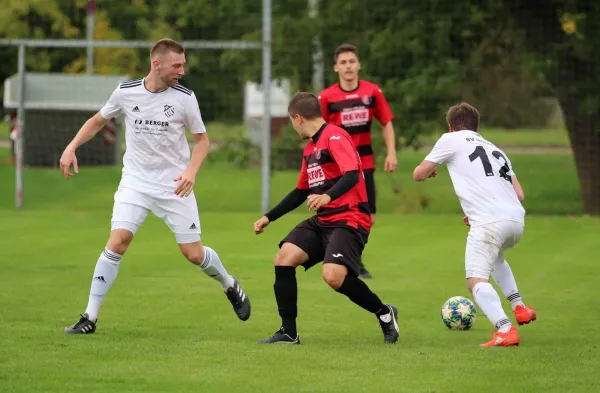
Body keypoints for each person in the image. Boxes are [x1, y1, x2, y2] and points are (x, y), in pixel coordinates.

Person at [59, 38, 251, 334]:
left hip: (174, 186)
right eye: (177, 65)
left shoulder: (185, 98)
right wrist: (71, 146)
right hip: (135, 182)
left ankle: (228, 283)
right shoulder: (126, 93)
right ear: (156, 64)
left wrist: (191, 172)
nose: (182, 70)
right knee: (118, 241)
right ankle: (90, 317)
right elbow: (98, 120)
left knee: (194, 254)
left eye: (183, 64)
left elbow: (202, 141)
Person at [253, 92, 399, 345]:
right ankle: (289, 332)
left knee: (333, 276)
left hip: (350, 219)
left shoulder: (335, 136)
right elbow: (301, 191)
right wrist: (269, 217)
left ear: (298, 118)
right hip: (324, 221)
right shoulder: (310, 149)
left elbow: (352, 174)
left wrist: (328, 197)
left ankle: (385, 314)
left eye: (291, 121)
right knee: (284, 257)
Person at [413, 102, 537, 347]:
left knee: (475, 280)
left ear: (451, 127)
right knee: (497, 259)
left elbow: (419, 174)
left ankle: (505, 329)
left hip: (490, 221)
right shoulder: (494, 148)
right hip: (515, 220)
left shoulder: (451, 140)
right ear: (476, 126)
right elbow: (519, 194)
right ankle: (519, 306)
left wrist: (429, 170)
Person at [318, 43, 398, 279]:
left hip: (365, 164)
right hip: (337, 167)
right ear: (336, 68)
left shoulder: (372, 92)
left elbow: (387, 123)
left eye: (352, 61)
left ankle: (350, 257)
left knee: (368, 216)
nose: (348, 66)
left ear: (358, 64)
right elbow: (318, 131)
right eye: (343, 62)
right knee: (337, 213)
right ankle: (351, 261)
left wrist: (391, 152)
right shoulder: (327, 97)